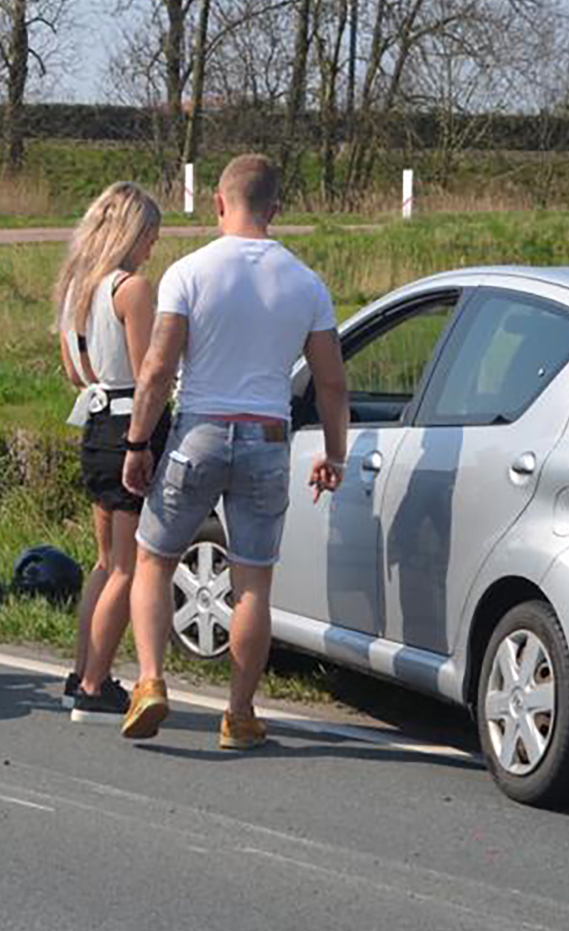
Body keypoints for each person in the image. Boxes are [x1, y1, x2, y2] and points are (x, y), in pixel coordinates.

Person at [113, 153, 349, 749]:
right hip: (268, 438)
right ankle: (239, 714)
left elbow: (158, 369)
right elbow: (331, 383)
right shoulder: (306, 282)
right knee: (253, 585)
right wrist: (336, 453)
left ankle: (149, 680)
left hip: (200, 431)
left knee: (153, 560)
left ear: (219, 202)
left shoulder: (188, 272)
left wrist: (138, 442)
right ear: (275, 209)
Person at [49, 183, 166, 723]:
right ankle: (96, 684)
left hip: (94, 420)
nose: (152, 245)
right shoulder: (132, 290)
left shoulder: (77, 287)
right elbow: (148, 376)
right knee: (127, 566)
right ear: (132, 233)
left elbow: (74, 370)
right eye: (149, 234)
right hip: (127, 427)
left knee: (103, 562)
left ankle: (81, 671)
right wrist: (145, 439)